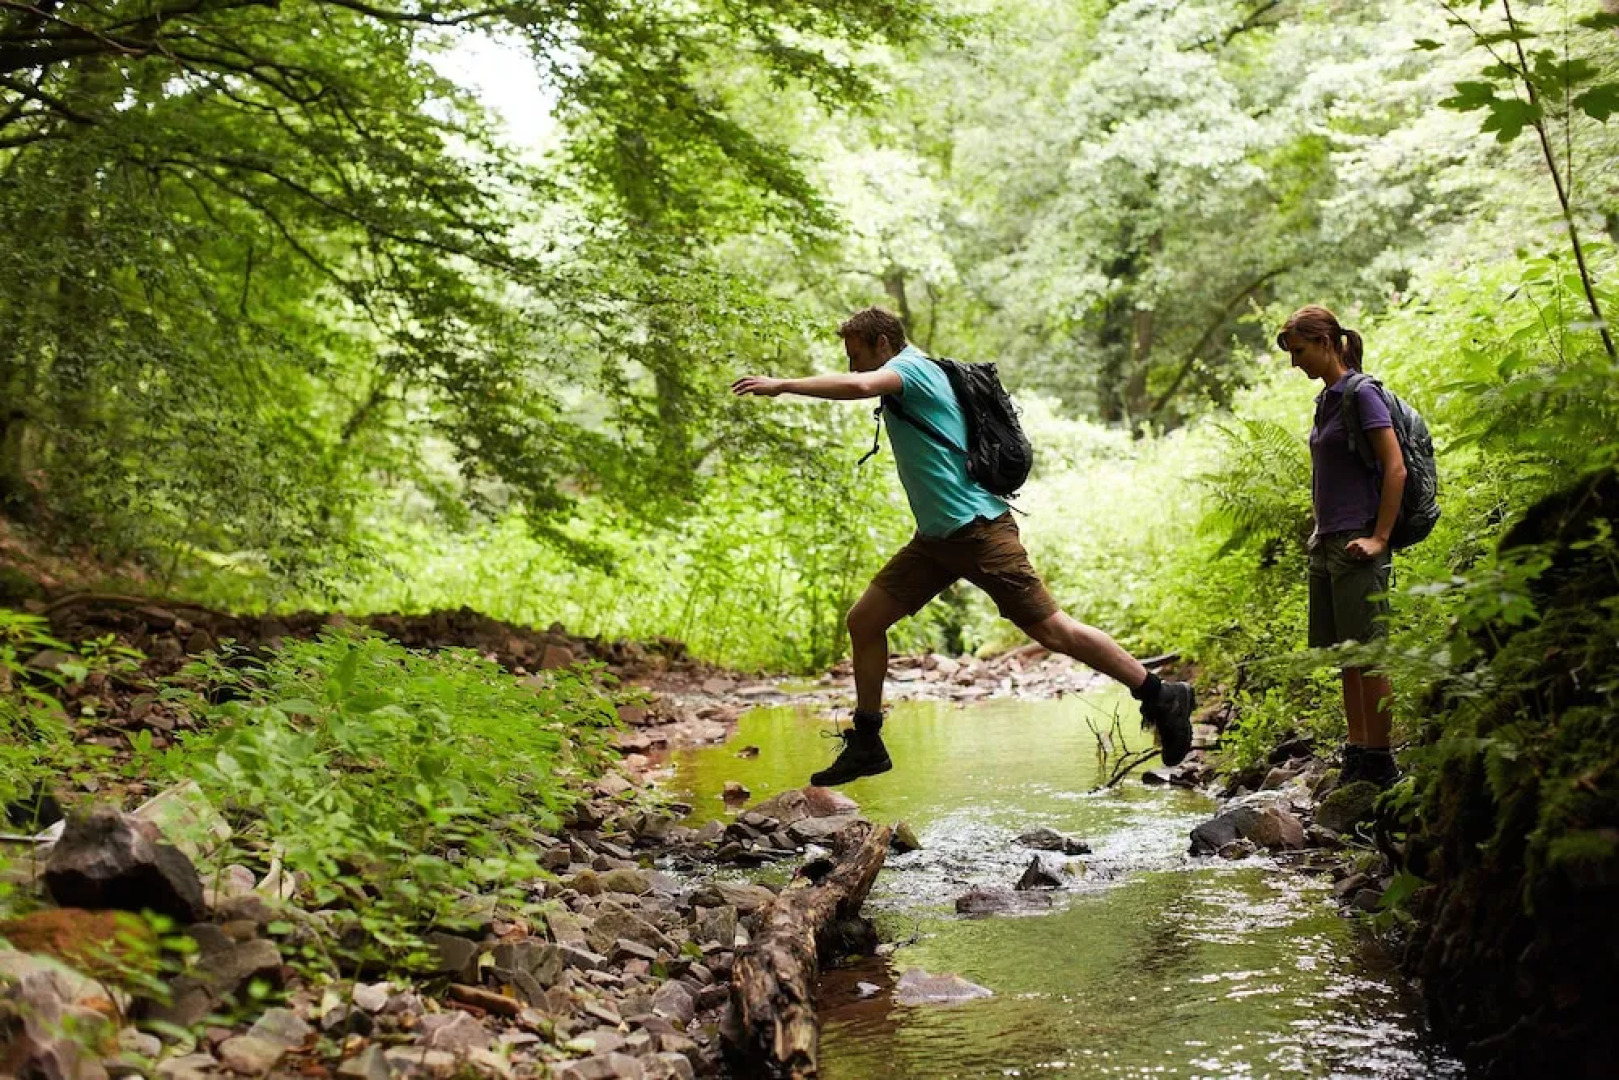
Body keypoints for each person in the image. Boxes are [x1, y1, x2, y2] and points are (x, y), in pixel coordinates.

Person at [731, 307, 1195, 787]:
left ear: (883, 344)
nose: (851, 366)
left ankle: (1160, 694)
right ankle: (867, 741)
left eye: (856, 354)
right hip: (936, 541)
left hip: (978, 532)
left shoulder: (911, 369)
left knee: (1054, 631)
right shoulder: (911, 374)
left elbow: (861, 386)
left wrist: (783, 384)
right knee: (864, 622)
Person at [1277, 305, 1405, 788]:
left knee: (1369, 653)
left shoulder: (1362, 393)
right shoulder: (1326, 400)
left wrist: (1379, 537)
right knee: (1347, 655)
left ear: (1326, 343)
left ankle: (1381, 760)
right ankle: (1358, 752)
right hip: (1328, 542)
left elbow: (1395, 467)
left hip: (1359, 538)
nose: (1295, 363)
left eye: (1299, 351)